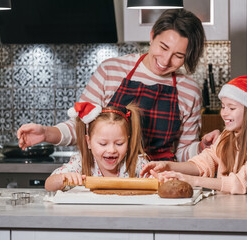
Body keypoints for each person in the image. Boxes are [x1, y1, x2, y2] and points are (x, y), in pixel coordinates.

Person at [17, 9, 219, 162]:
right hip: (105, 178)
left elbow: (183, 152)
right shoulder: (111, 70)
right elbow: (80, 126)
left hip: (157, 181)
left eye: (178, 56)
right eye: (163, 47)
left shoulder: (189, 91)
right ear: (152, 36)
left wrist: (201, 147)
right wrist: (46, 133)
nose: (166, 61)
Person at [140, 75, 247, 194]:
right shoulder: (228, 135)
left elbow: (241, 182)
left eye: (232, 108)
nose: (224, 113)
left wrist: (192, 181)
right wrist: (168, 166)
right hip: (232, 209)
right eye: (223, 107)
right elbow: (203, 163)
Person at [45, 102, 148, 191]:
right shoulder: (81, 163)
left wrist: (162, 178)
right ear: (88, 142)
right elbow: (49, 185)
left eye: (119, 143)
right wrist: (63, 178)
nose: (111, 150)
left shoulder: (137, 164)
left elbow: (158, 180)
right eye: (103, 144)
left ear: (128, 141)